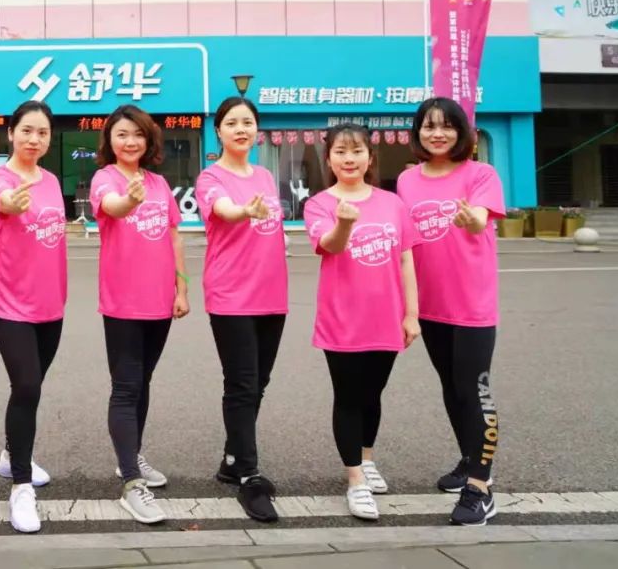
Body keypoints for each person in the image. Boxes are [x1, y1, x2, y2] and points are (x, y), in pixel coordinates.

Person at [397, 97, 505, 527]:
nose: (437, 133)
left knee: (475, 389)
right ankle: (469, 458)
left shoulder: (481, 174)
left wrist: (472, 220)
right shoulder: (407, 180)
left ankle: (480, 487)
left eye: (446, 126)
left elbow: (479, 217)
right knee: (452, 387)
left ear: (462, 132)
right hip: (430, 305)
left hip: (472, 303)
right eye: (429, 126)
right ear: (418, 132)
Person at [303, 123, 420, 522]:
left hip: (387, 317)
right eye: (340, 151)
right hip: (342, 320)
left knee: (373, 395)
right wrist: (345, 223)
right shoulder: (319, 204)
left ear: (370, 158)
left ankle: (367, 459)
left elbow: (405, 258)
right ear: (329, 158)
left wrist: (411, 313)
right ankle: (355, 480)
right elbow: (330, 245)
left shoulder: (392, 203)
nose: (349, 159)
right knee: (349, 397)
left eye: (356, 151)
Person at [91, 104, 190, 526]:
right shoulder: (105, 179)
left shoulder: (159, 183)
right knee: (126, 386)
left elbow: (173, 235)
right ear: (110, 140)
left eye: (138, 134)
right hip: (123, 302)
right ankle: (132, 483)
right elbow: (112, 207)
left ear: (148, 140)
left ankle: (130, 457)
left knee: (143, 382)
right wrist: (128, 200)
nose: (130, 141)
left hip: (159, 301)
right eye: (122, 134)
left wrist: (181, 287)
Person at [195, 97, 288, 523]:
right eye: (231, 123)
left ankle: (233, 460)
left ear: (257, 129)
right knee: (242, 384)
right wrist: (243, 210)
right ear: (218, 131)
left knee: (258, 382)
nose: (240, 129)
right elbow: (223, 209)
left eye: (247, 122)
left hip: (272, 293)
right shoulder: (211, 177)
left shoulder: (265, 175)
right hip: (232, 295)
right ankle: (249, 475)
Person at [0, 100, 67, 533]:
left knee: (29, 390)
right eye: (27, 131)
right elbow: (1, 201)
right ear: (11, 133)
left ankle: (10, 454)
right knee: (27, 386)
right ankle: (20, 487)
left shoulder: (51, 181)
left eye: (42, 132)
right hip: (11, 304)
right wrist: (9, 203)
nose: (34, 139)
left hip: (51, 305)